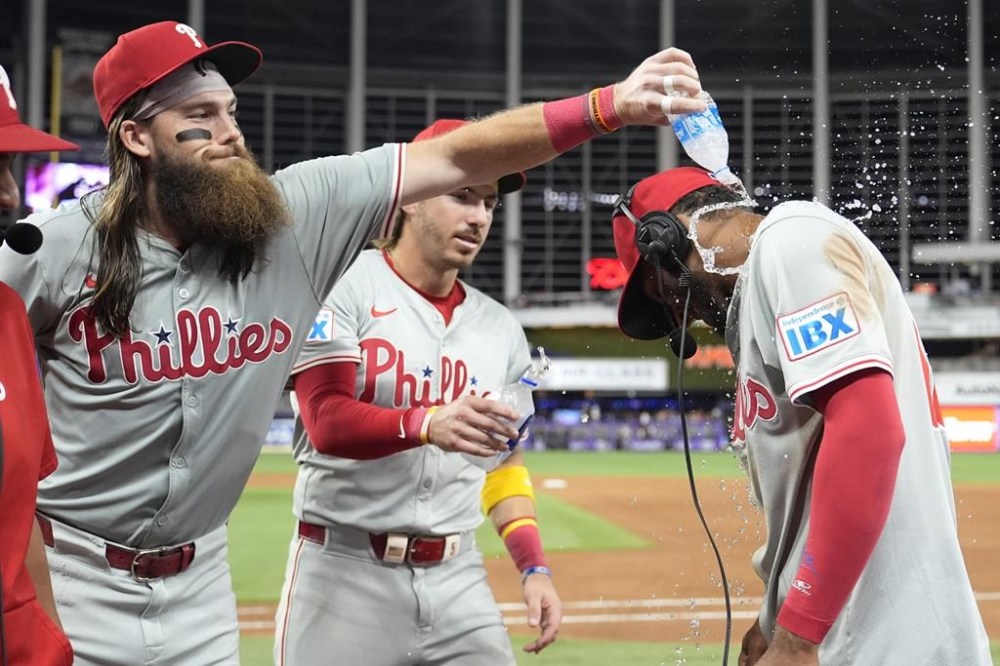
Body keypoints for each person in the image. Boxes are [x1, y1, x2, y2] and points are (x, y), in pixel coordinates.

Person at [0, 19, 705, 665]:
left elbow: (457, 156)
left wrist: (607, 106)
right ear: (136, 137)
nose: (230, 132)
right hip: (74, 576)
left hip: (203, 586)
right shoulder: (54, 250)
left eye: (232, 113)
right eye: (200, 117)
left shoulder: (295, 218)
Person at [610, 166, 992, 665]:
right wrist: (773, 619)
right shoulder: (762, 291)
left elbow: (868, 432)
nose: (682, 311)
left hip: (882, 641)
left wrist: (798, 634)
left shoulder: (791, 239)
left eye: (664, 291)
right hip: (845, 630)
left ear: (666, 237)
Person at [275, 118, 561, 666]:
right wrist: (427, 422)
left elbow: (503, 460)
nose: (479, 216)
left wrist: (534, 568)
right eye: (462, 195)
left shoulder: (501, 328)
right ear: (410, 199)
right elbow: (325, 420)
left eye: (489, 203)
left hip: (459, 578)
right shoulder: (342, 285)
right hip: (343, 574)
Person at [0, 64, 77, 665]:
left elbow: (20, 512)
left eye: (8, 167)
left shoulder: (5, 310)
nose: (8, 194)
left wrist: (50, 642)